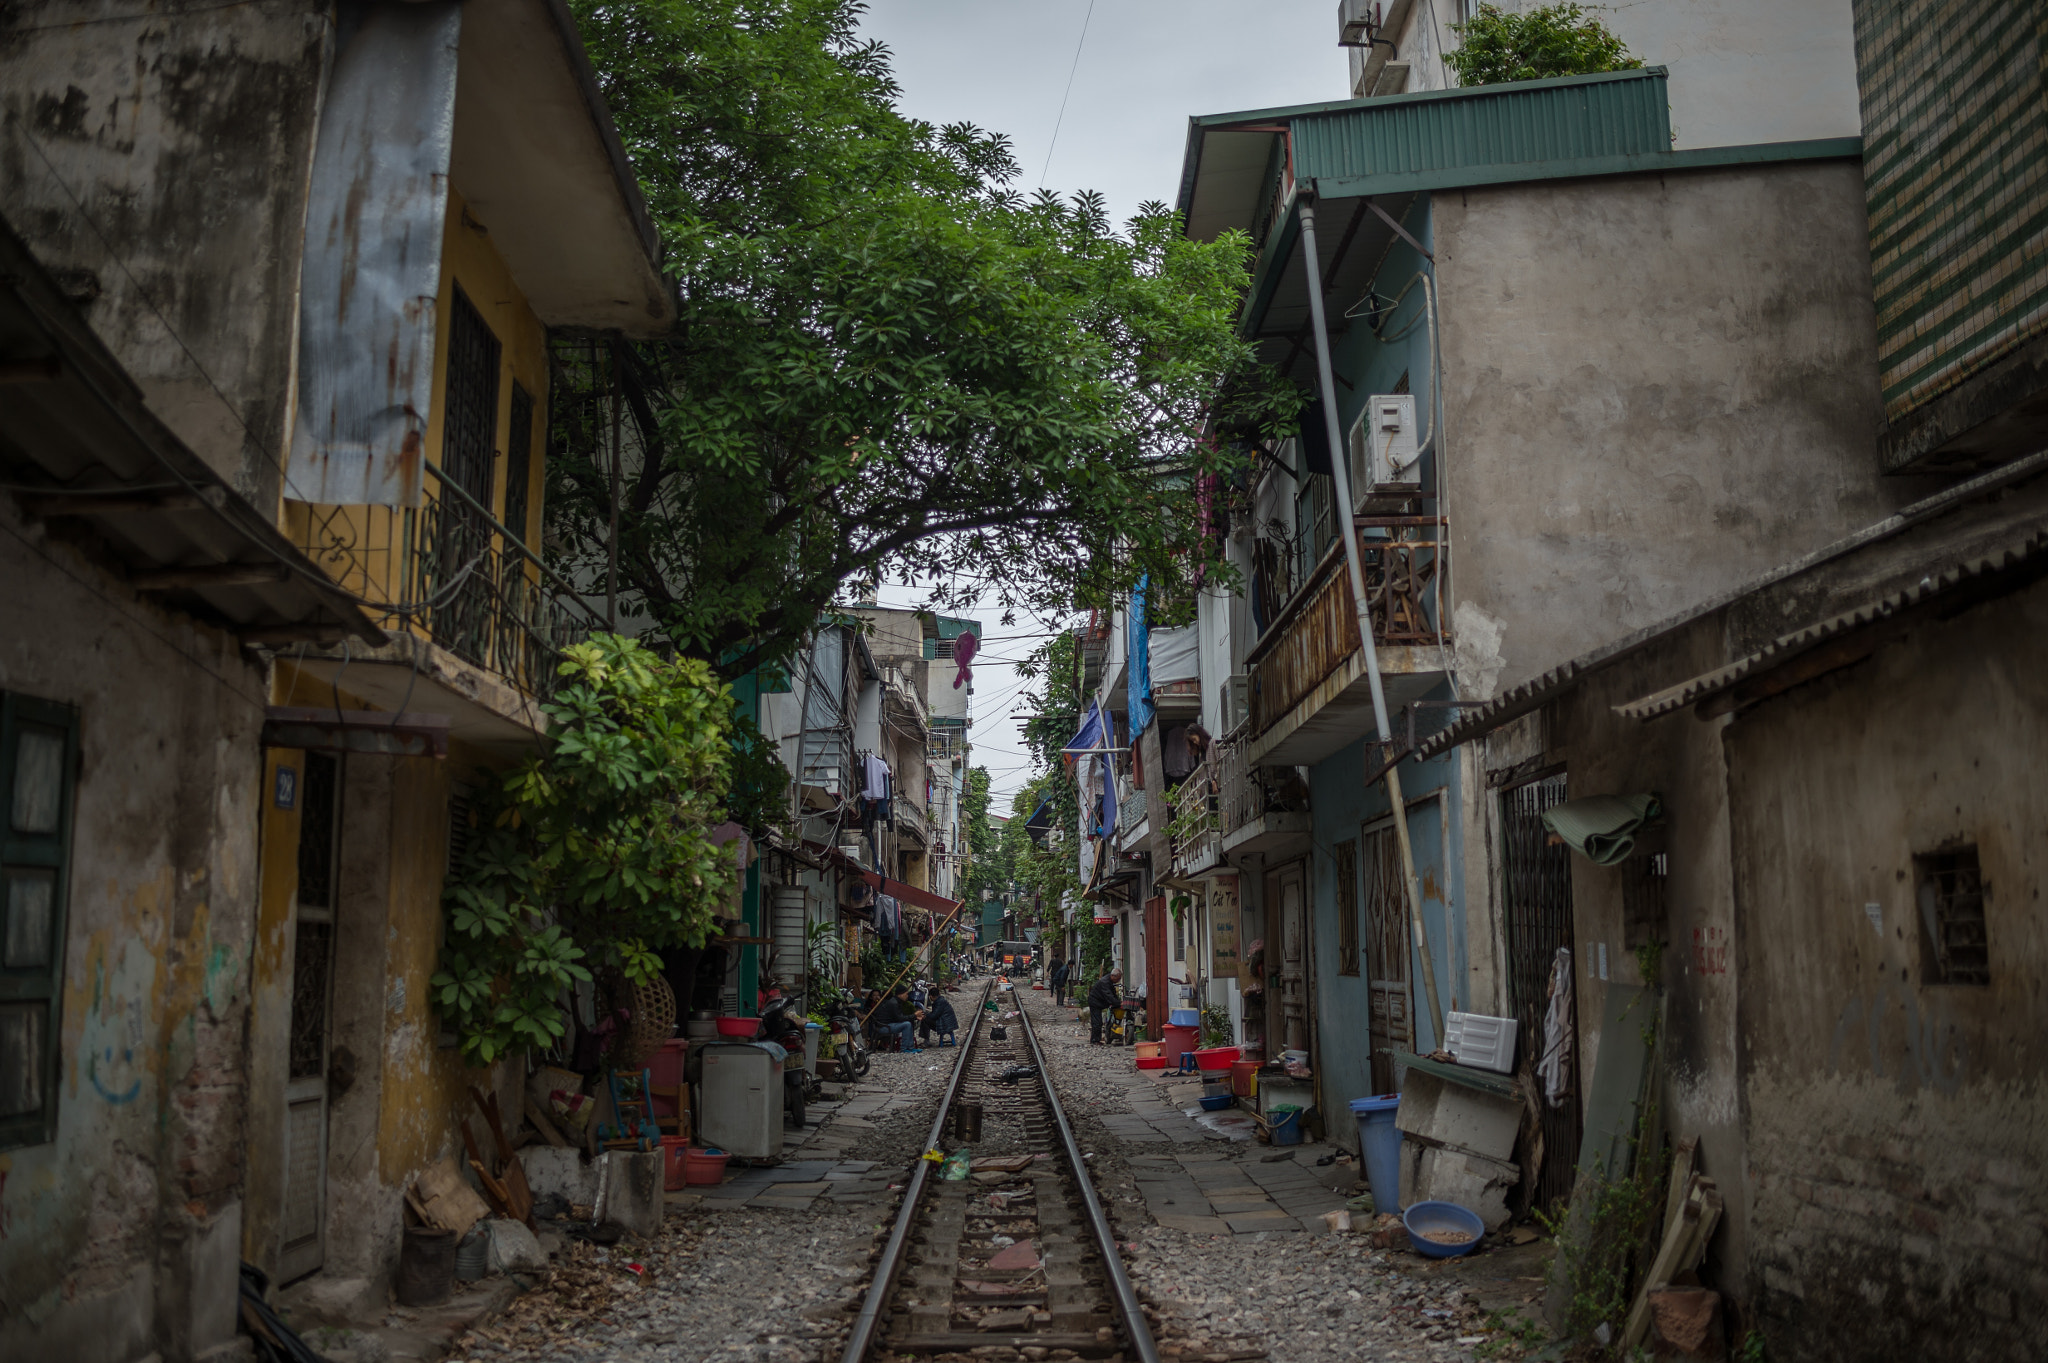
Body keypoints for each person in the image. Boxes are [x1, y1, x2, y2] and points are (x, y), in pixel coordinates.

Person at [873, 986, 919, 1053]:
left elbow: (900, 1017)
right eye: (906, 994)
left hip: (888, 1024)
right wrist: (914, 1015)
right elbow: (899, 1018)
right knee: (907, 1024)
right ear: (901, 994)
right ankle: (904, 1048)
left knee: (908, 1023)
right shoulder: (894, 1003)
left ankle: (910, 1047)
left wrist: (914, 1017)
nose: (907, 996)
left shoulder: (896, 1002)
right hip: (884, 1026)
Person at [1087, 969, 1123, 1045]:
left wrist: (1117, 1001)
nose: (1118, 981)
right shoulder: (1105, 982)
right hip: (1095, 1002)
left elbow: (1112, 994)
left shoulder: (1109, 981)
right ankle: (1095, 1040)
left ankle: (1096, 1039)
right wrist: (1118, 1003)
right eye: (1118, 979)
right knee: (1097, 1021)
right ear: (1113, 976)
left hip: (1099, 1001)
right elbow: (1108, 995)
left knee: (1098, 1021)